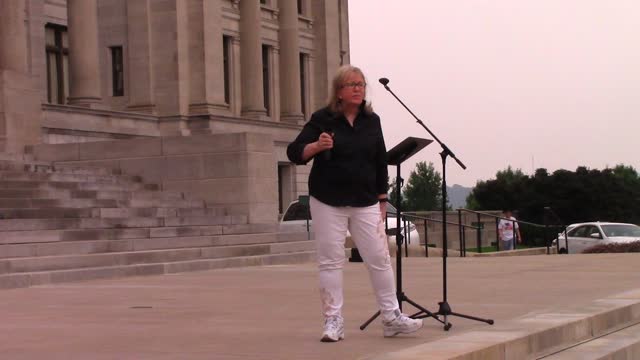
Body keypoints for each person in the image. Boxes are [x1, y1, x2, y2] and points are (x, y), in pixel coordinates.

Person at [287, 65, 423, 342]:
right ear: (339, 91)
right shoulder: (322, 119)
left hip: (365, 201)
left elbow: (379, 160)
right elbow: (294, 152)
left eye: (361, 84)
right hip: (328, 200)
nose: (359, 89)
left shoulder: (372, 121)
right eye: (352, 84)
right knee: (330, 261)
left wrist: (383, 198)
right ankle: (333, 321)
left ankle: (391, 317)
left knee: (380, 258)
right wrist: (316, 146)